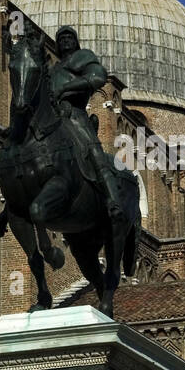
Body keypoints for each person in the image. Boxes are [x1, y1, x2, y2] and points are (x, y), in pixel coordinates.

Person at [51, 25, 124, 222]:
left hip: (76, 115)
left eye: (69, 37)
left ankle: (113, 200)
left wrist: (65, 88)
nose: (65, 41)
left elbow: (98, 77)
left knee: (95, 153)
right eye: (61, 38)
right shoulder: (53, 68)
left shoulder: (83, 57)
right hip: (55, 116)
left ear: (76, 42)